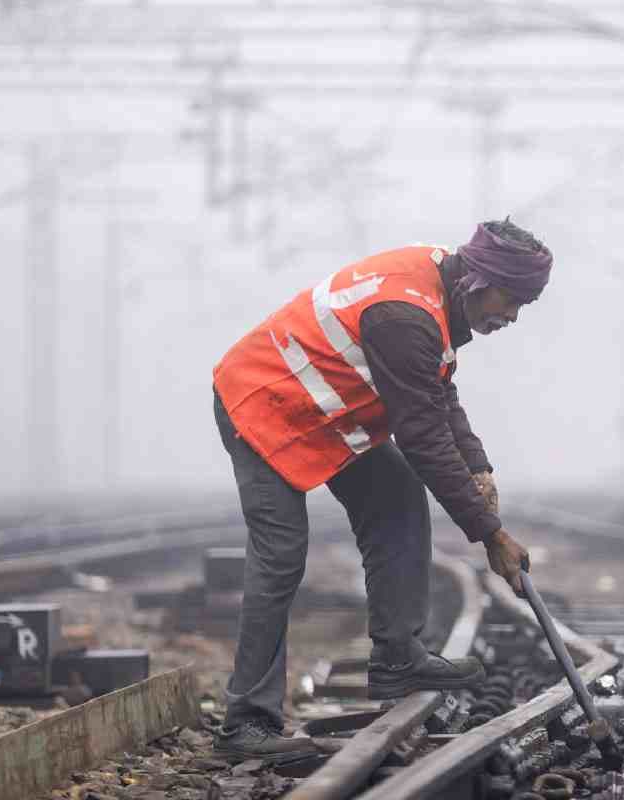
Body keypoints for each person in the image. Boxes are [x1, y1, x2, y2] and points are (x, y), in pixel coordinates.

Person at [210, 218, 550, 761]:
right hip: (263, 405)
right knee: (281, 555)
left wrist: (479, 466)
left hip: (323, 412)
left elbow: (437, 390)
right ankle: (246, 724)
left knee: (397, 498)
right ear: (480, 280)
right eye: (511, 301)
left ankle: (397, 656)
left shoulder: (438, 285)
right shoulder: (405, 314)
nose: (511, 316)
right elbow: (422, 434)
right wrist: (490, 534)